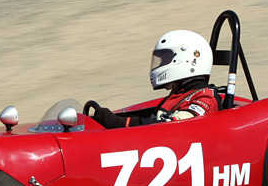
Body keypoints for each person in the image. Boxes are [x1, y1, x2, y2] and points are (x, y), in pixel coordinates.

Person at [89, 30, 219, 128]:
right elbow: (153, 117)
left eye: (166, 60)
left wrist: (120, 123)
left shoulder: (204, 99)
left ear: (188, 60)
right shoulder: (181, 94)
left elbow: (174, 126)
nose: (161, 65)